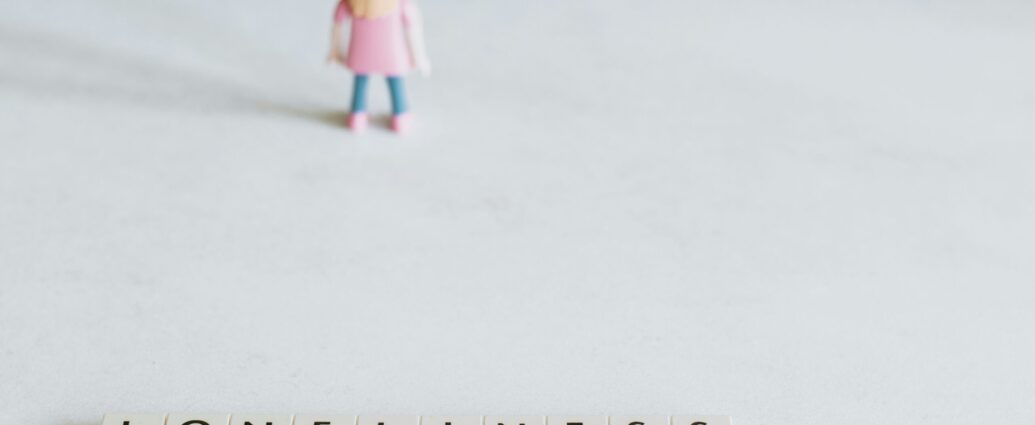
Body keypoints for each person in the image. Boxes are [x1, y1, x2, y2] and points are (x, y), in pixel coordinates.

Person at [327, 0, 431, 133]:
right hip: (392, 55)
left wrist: (334, 51)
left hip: (361, 53)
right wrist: (419, 56)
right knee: (395, 81)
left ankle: (357, 116)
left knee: (360, 80)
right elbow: (412, 29)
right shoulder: (401, 4)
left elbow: (337, 26)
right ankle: (400, 117)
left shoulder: (350, 3)